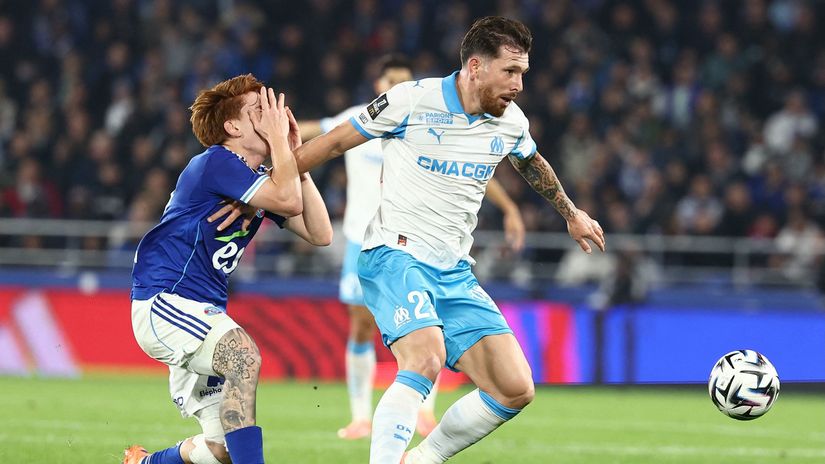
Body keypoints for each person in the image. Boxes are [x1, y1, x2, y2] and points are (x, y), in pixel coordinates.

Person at [293, 16, 605, 464]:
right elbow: (334, 142)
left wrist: (571, 214)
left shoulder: (510, 121)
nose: (518, 85)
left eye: (522, 73)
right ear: (475, 66)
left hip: (454, 270)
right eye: (510, 72)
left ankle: (420, 459)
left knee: (515, 387)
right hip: (394, 254)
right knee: (425, 358)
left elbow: (530, 161)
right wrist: (265, 187)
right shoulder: (411, 100)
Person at [298, 54, 526, 441]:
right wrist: (273, 138)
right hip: (365, 238)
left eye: (404, 80)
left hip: (420, 243)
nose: (397, 86)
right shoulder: (362, 115)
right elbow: (320, 135)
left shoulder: (423, 114)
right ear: (379, 84)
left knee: (429, 332)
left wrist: (509, 208)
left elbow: (477, 169)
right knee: (361, 326)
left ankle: (425, 411)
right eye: (392, 80)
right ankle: (360, 416)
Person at [124, 75, 332, 464]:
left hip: (203, 313)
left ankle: (145, 462)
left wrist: (294, 159)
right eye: (259, 110)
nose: (271, 116)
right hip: (166, 301)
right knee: (243, 354)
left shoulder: (257, 183)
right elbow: (289, 201)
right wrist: (282, 150)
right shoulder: (216, 162)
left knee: (220, 449)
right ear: (233, 127)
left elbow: (320, 233)